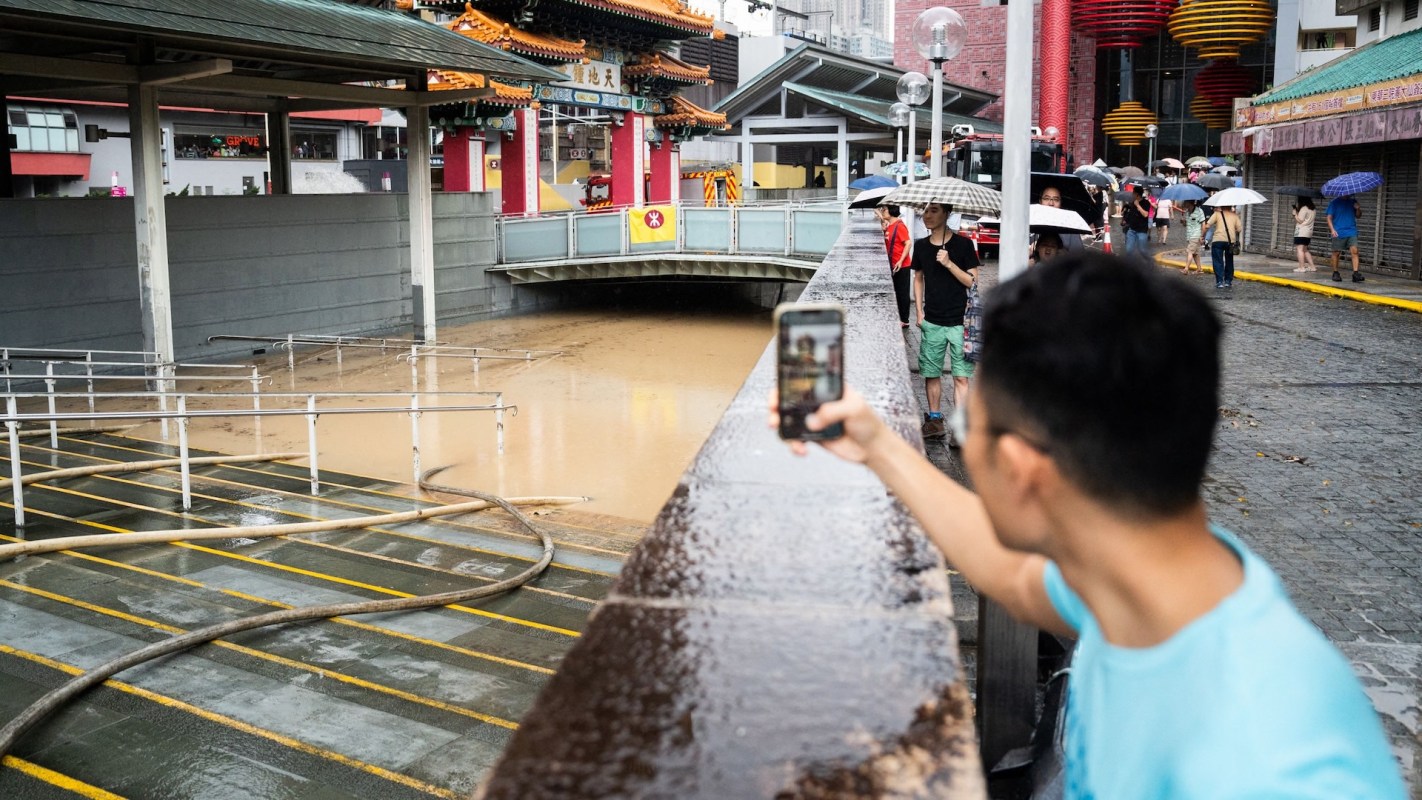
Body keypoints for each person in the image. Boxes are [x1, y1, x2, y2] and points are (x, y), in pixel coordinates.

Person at [772, 253, 1407, 800]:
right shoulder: (1158, 580)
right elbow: (1012, 574)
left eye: (968, 430)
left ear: (1021, 469)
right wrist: (878, 446)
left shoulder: (1266, 765)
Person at [911, 201, 979, 444]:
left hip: (961, 321)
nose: (927, 215)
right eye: (925, 211)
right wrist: (919, 311)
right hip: (933, 320)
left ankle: (960, 428)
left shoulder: (963, 245)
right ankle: (935, 420)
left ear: (947, 214)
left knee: (961, 376)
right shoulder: (920, 246)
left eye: (934, 210)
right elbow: (918, 278)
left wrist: (949, 263)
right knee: (931, 372)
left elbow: (973, 281)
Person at [878, 204, 913, 328]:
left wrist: (900, 260)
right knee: (897, 292)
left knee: (902, 292)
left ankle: (905, 320)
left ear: (892, 210)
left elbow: (908, 243)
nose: (882, 211)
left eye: (884, 209)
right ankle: (899, 316)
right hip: (893, 263)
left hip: (901, 265)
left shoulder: (899, 226)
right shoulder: (890, 225)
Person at [1326, 194, 1363, 282]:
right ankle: (1335, 272)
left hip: (1351, 231)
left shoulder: (1353, 201)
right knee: (1336, 253)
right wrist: (1332, 230)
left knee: (1355, 251)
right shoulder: (1334, 203)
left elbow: (1358, 216)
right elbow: (1329, 217)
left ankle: (1356, 273)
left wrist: (1358, 208)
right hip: (1338, 232)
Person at [1205, 204, 1242, 289]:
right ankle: (1228, 281)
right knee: (1229, 261)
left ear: (1221, 206)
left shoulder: (1217, 214)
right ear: (1230, 206)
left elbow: (1208, 225)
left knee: (1218, 261)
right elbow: (1239, 229)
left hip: (1218, 240)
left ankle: (1219, 281)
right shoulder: (1234, 215)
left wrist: (1203, 236)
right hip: (1230, 241)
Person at [1179, 199, 1207, 275]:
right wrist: (1183, 222)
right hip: (1189, 236)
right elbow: (1186, 225)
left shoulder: (1199, 211)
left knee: (1189, 251)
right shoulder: (1187, 213)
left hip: (1196, 235)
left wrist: (1202, 236)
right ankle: (1199, 269)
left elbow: (1203, 224)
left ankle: (1186, 268)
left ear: (1189, 202)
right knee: (1195, 253)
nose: (1184, 203)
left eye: (1185, 202)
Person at [1123, 186, 1151, 255]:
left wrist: (1138, 205)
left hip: (1142, 230)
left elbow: (1145, 215)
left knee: (1142, 250)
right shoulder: (1132, 203)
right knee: (1129, 250)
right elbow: (1131, 214)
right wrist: (1124, 220)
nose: (1132, 194)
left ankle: (1147, 262)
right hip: (1131, 230)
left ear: (1137, 194)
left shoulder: (1146, 203)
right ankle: (1130, 264)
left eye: (1133, 193)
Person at [1293, 198, 1318, 273]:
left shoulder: (1304, 208)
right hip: (1308, 232)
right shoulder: (1313, 209)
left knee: (1299, 250)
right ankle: (1312, 267)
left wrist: (1295, 214)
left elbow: (1300, 220)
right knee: (1305, 250)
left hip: (1301, 232)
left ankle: (1301, 267)